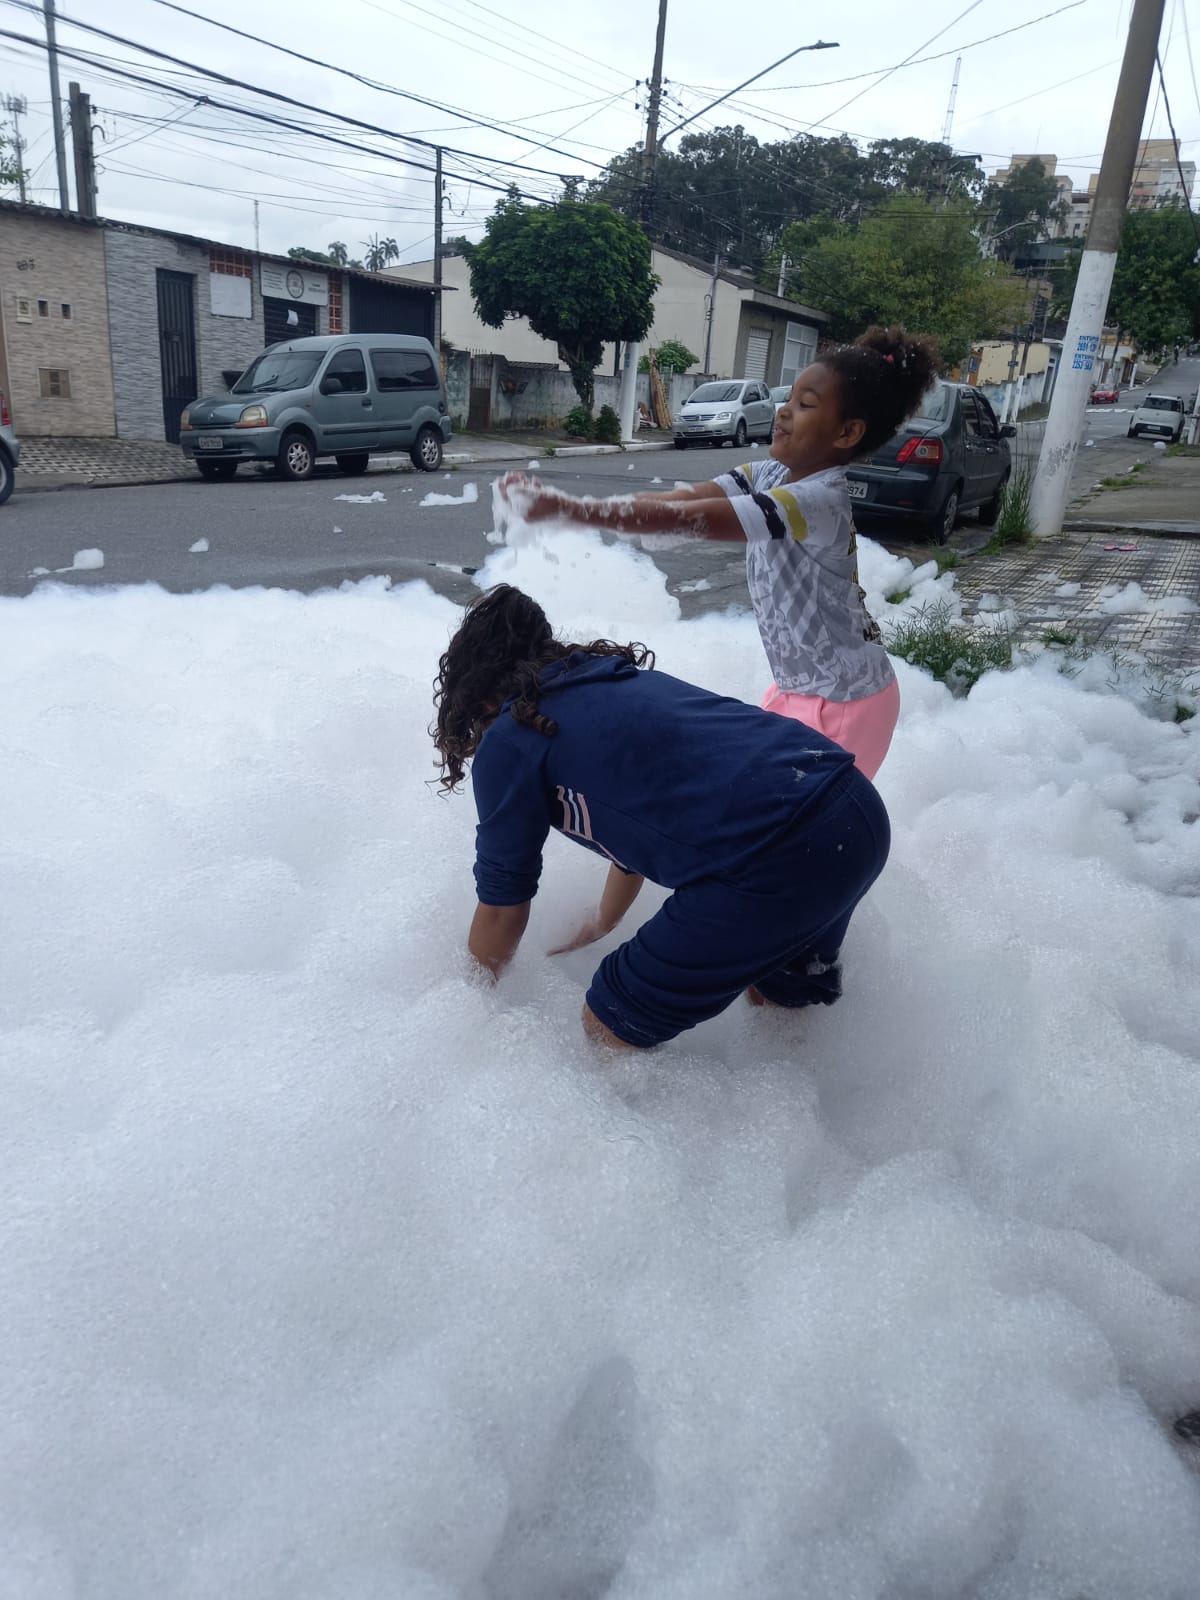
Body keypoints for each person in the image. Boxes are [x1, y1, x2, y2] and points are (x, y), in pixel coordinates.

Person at [433, 584, 891, 1051]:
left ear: (476, 693)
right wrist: (603, 922)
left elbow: (501, 907)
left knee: (610, 1016)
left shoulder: (512, 739)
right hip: (853, 809)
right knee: (779, 1001)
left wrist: (466, 1012)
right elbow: (635, 828)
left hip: (782, 851)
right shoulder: (607, 679)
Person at [499, 325, 941, 781]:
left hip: (849, 704)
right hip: (797, 692)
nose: (785, 411)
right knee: (735, 807)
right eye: (789, 399)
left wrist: (573, 511)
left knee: (784, 836)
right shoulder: (769, 473)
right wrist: (570, 505)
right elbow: (682, 503)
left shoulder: (818, 501)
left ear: (848, 432)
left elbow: (692, 522)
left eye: (806, 405)